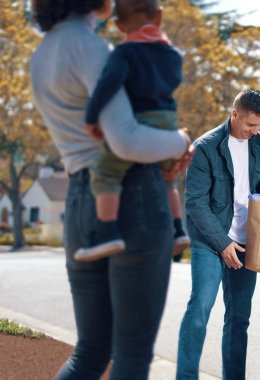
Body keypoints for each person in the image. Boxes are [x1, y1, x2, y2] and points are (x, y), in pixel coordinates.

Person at [30, 0, 192, 378]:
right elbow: (126, 141)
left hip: (82, 200)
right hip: (133, 196)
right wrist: (180, 141)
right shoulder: (92, 48)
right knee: (132, 354)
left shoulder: (40, 56)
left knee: (89, 352)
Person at [177, 89, 260, 380]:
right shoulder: (205, 148)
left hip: (245, 239)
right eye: (250, 125)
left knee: (239, 318)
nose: (254, 132)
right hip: (209, 239)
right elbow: (195, 203)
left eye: (259, 126)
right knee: (200, 308)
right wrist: (222, 242)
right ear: (235, 113)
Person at [75, 0, 190, 261]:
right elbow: (172, 79)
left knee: (106, 170)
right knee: (168, 177)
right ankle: (177, 229)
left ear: (118, 24)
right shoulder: (172, 55)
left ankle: (106, 231)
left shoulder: (124, 53)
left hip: (142, 119)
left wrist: (92, 117)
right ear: (159, 17)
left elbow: (109, 84)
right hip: (169, 120)